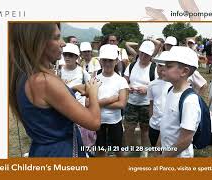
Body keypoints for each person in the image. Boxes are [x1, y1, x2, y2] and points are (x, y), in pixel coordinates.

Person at [9, 23, 101, 157]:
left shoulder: (25, 76)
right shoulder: (44, 81)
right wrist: (93, 91)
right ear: (38, 42)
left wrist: (73, 89)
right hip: (61, 152)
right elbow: (94, 122)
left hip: (43, 150)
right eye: (57, 38)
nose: (63, 43)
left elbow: (45, 107)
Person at [155, 46, 201, 157]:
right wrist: (159, 143)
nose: (163, 69)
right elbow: (166, 121)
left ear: (184, 72)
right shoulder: (171, 90)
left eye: (169, 66)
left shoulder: (189, 101)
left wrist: (165, 156)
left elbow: (185, 139)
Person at [123, 40, 159, 156]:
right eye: (142, 53)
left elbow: (159, 86)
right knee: (128, 128)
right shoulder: (132, 65)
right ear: (139, 52)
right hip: (131, 103)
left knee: (145, 129)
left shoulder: (154, 68)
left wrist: (147, 90)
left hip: (147, 104)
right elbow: (124, 81)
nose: (144, 56)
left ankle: (144, 151)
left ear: (151, 55)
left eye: (147, 54)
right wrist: (128, 87)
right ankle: (128, 149)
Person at [60, 43, 96, 153]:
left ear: (77, 57)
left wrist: (89, 99)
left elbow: (92, 86)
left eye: (70, 55)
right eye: (65, 54)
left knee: (83, 139)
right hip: (64, 109)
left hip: (80, 109)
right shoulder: (59, 70)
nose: (67, 57)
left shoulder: (82, 71)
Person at [94, 44, 129, 157]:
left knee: (119, 151)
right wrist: (111, 99)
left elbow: (122, 104)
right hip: (98, 121)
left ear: (116, 61)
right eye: (104, 60)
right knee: (100, 151)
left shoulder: (121, 80)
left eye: (110, 60)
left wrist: (99, 103)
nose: (107, 63)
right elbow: (88, 102)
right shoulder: (95, 79)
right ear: (100, 61)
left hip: (115, 122)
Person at [147, 52, 172, 157]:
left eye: (165, 66)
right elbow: (151, 103)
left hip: (168, 127)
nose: (161, 69)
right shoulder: (152, 84)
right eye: (159, 65)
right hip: (154, 125)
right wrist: (151, 119)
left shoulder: (173, 84)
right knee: (155, 151)